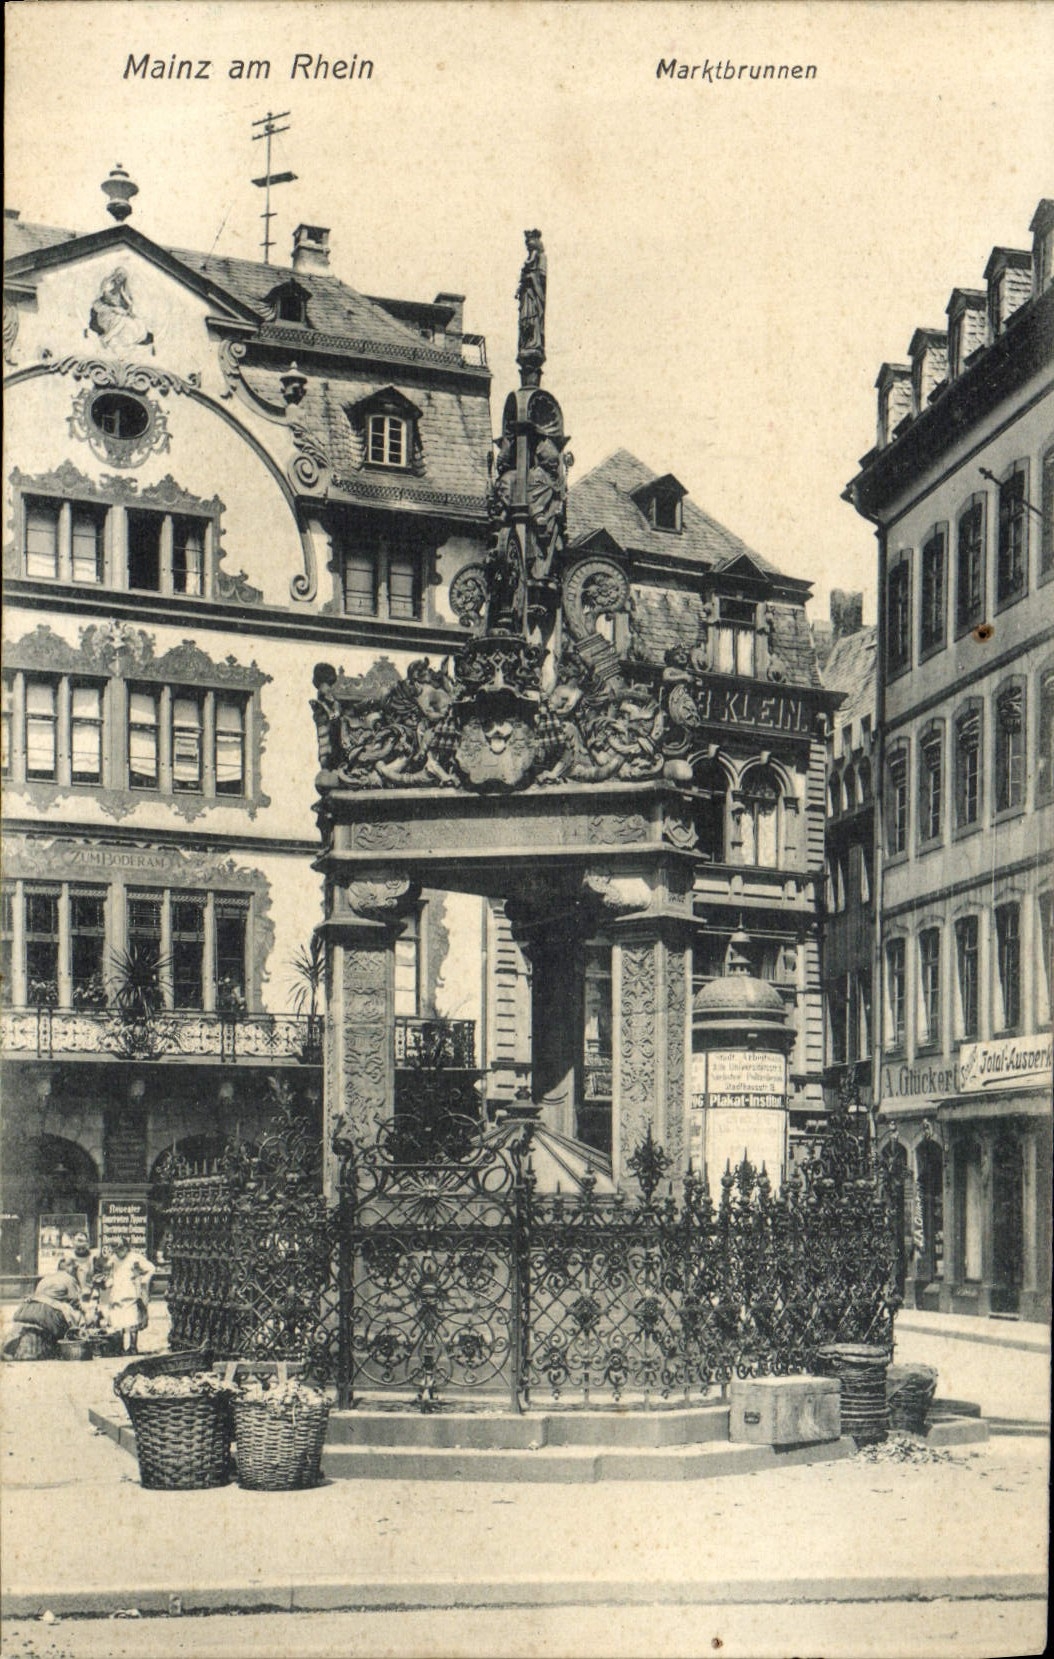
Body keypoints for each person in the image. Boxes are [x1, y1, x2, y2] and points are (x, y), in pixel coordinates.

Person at [1, 1258, 84, 1360]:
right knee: (74, 1315)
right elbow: (76, 1301)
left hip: (28, 1308)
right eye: (74, 1268)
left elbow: (38, 1296)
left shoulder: (46, 1278)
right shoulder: (69, 1278)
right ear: (70, 1269)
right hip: (47, 1312)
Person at [105, 1237, 155, 1354]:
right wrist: (109, 1281)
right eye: (116, 1250)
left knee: (132, 1320)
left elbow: (151, 1268)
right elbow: (111, 1273)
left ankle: (133, 1347)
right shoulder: (113, 1259)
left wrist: (143, 1280)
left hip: (131, 1293)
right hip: (117, 1293)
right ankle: (120, 1347)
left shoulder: (135, 1258)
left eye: (120, 1249)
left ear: (126, 1248)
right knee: (118, 1321)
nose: (118, 1252)